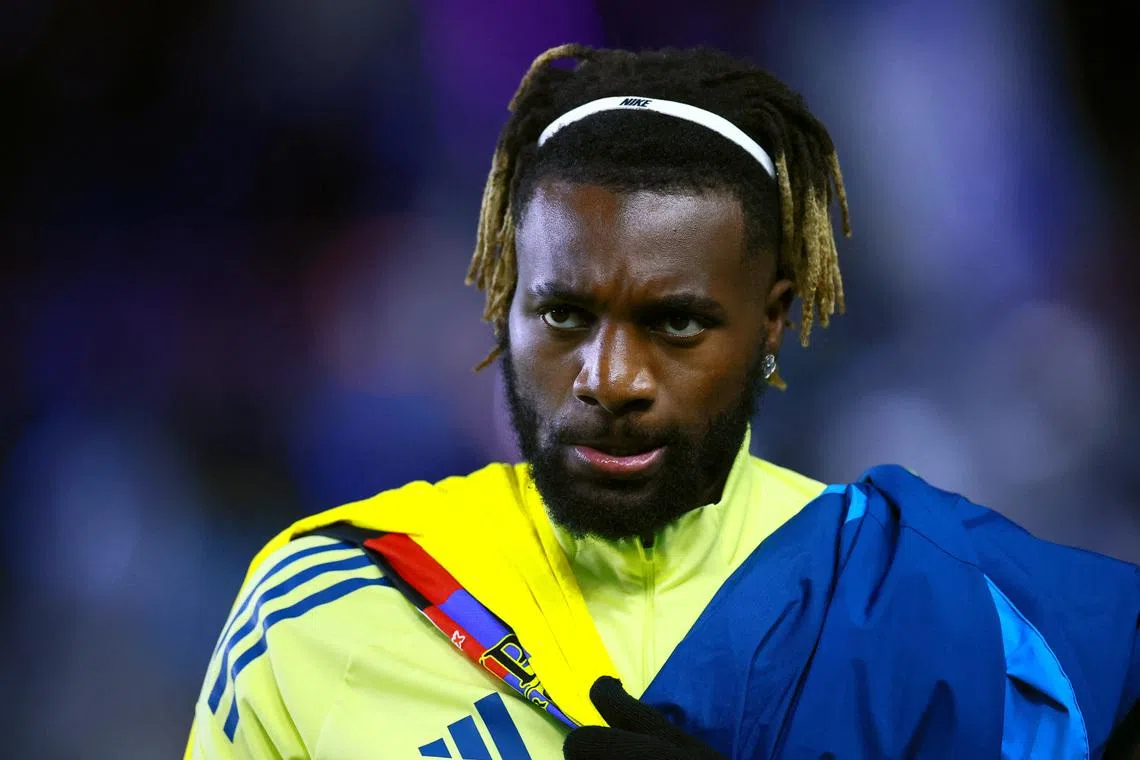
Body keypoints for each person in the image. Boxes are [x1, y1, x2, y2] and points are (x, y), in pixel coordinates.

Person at [185, 45, 1139, 759]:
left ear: (771, 324)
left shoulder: (944, 603)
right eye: (563, 314)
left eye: (676, 324)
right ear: (502, 304)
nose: (609, 379)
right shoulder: (323, 609)